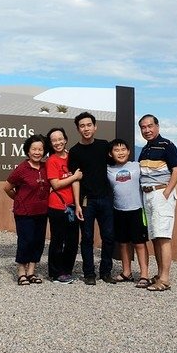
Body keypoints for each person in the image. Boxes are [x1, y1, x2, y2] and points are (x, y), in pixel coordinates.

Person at [68, 112, 117, 285]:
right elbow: (75, 180)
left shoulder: (104, 146)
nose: (86, 128)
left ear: (95, 127)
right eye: (82, 126)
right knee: (87, 237)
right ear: (78, 129)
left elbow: (116, 164)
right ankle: (89, 273)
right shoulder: (74, 152)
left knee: (109, 236)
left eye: (89, 125)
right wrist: (77, 204)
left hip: (105, 198)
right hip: (86, 200)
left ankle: (106, 272)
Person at [138, 114, 177, 292]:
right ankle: (159, 274)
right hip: (147, 195)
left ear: (157, 126)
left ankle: (164, 279)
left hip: (160, 193)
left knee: (163, 237)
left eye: (150, 126)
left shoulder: (167, 145)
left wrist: (166, 192)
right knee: (155, 236)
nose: (147, 130)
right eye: (143, 127)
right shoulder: (145, 149)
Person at [3, 134, 50, 285]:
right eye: (34, 149)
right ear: (28, 151)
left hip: (42, 211)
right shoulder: (21, 169)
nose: (37, 152)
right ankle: (21, 272)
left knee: (38, 242)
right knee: (26, 240)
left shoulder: (45, 167)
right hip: (24, 213)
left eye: (40, 149)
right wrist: (18, 200)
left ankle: (31, 272)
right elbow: (7, 188)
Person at [106, 138, 151, 287]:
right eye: (116, 150)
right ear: (111, 153)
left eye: (123, 149)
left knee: (139, 243)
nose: (120, 152)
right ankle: (127, 272)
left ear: (129, 151)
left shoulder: (136, 166)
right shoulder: (108, 169)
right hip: (119, 210)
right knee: (123, 243)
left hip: (137, 210)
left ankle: (144, 274)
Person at [45, 127, 82, 284]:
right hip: (57, 206)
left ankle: (66, 270)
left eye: (60, 139)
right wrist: (74, 176)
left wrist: (78, 204)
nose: (58, 142)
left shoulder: (72, 157)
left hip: (72, 206)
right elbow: (56, 184)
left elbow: (77, 181)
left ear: (65, 139)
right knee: (58, 240)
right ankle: (55, 273)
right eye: (54, 140)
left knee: (73, 241)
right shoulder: (52, 160)